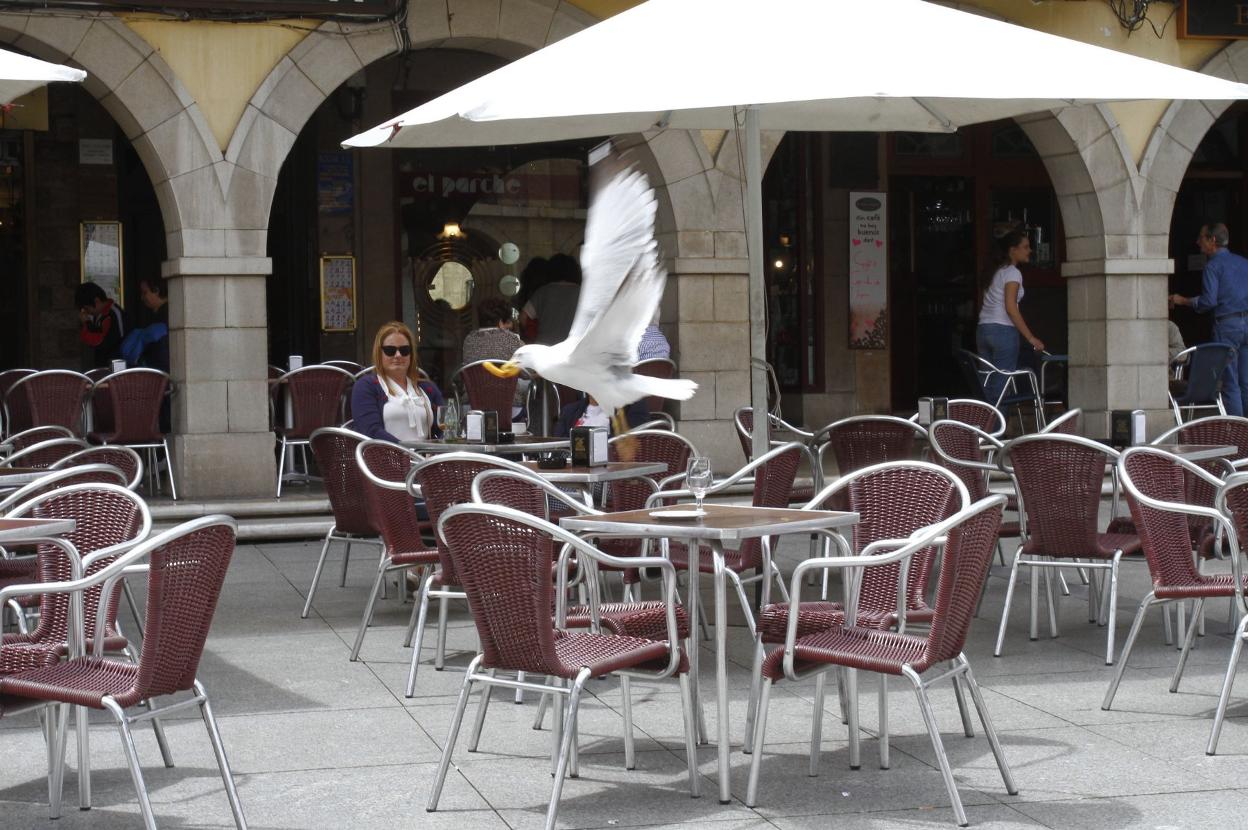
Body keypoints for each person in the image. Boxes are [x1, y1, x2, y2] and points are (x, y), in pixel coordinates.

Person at [1171, 223, 1248, 416]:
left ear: (1212, 240)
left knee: (1230, 383)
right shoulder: (1243, 263)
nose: (1198, 242)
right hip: (1246, 323)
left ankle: (1239, 437)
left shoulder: (1213, 266)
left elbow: (1208, 302)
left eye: (1201, 237)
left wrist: (1183, 300)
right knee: (1246, 381)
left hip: (1227, 325)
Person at [976, 229, 1044, 403]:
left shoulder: (994, 271)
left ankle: (986, 425)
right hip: (1003, 331)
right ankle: (998, 427)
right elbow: (1011, 307)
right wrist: (1030, 338)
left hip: (984, 329)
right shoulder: (1013, 273)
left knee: (987, 381)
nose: (1029, 250)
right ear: (1012, 250)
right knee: (1002, 386)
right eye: (1025, 247)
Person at [352, 321, 444, 443]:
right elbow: (371, 431)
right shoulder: (366, 386)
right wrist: (407, 452)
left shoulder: (428, 388)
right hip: (385, 458)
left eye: (404, 350)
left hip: (425, 459)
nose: (398, 355)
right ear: (379, 353)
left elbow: (444, 428)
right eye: (390, 350)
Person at [520, 252, 581, 345]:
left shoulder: (543, 291)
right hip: (574, 347)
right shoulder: (582, 292)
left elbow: (523, 318)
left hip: (545, 346)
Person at [120, 276, 169, 373]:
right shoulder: (157, 314)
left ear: (156, 291)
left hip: (158, 372)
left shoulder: (168, 315)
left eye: (144, 292)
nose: (142, 298)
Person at [75, 281, 128, 368]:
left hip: (116, 366)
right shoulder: (99, 315)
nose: (87, 313)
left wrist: (87, 323)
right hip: (102, 364)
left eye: (87, 309)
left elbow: (101, 342)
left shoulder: (113, 314)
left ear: (97, 301)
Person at [554, 394, 649, 437]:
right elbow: (556, 446)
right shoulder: (570, 411)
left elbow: (636, 438)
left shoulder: (632, 406)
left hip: (615, 471)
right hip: (576, 472)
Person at [462, 297, 523, 364]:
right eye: (508, 322)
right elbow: (526, 369)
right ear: (500, 323)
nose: (510, 326)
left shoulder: (469, 340)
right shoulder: (512, 339)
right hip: (503, 374)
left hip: (474, 374)